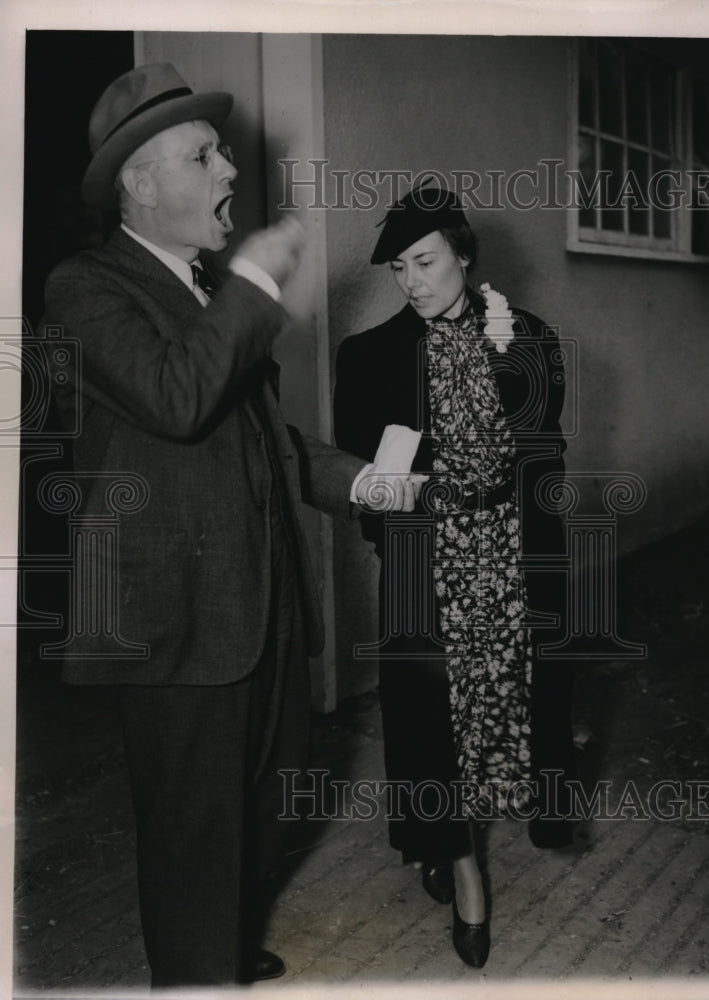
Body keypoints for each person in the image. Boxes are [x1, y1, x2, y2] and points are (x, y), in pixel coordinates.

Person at [38, 62, 422, 988]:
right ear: (139, 183)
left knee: (268, 801)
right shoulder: (85, 287)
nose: (230, 172)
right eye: (203, 156)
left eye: (221, 153)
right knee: (193, 828)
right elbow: (177, 398)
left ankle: (222, 944)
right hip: (175, 619)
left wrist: (361, 483)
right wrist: (253, 283)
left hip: (261, 602)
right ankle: (196, 971)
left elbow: (265, 439)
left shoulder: (211, 293)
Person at [334, 184, 576, 969]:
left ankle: (517, 810)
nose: (412, 281)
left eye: (426, 261)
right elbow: (360, 477)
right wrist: (397, 524)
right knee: (429, 719)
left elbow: (546, 455)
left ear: (464, 256)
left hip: (510, 554)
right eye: (399, 268)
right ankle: (463, 870)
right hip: (426, 563)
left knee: (504, 702)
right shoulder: (368, 355)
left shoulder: (529, 338)